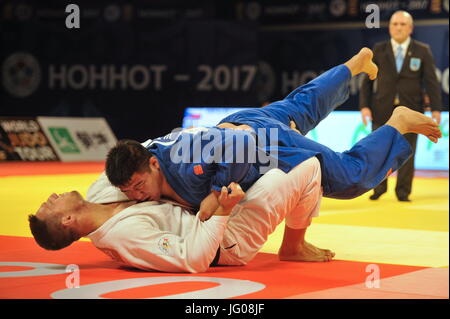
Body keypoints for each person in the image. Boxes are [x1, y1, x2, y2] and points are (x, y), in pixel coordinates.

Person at [28, 105, 442, 273]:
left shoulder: (102, 189)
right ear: (67, 220)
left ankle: (295, 241)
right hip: (227, 239)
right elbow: (193, 258)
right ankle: (394, 131)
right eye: (50, 205)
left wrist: (194, 139)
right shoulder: (124, 237)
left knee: (287, 144)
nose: (51, 196)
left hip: (223, 198)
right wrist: (219, 208)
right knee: (310, 168)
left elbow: (146, 154)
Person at [105, 48, 441, 220]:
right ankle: (354, 65)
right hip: (244, 120)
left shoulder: (179, 168)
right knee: (301, 105)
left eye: (138, 186)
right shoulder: (145, 153)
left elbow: (240, 144)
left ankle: (397, 123)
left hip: (258, 141)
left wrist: (215, 191)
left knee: (348, 177)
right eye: (128, 190)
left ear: (152, 165)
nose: (136, 195)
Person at [359, 10, 442, 202]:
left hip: (412, 109)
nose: (398, 27)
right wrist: (364, 106)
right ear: (389, 28)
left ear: (410, 28)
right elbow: (367, 81)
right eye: (395, 24)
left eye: (403, 24)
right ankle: (378, 189)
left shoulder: (422, 50)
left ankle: (403, 192)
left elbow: (431, 81)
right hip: (381, 109)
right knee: (378, 151)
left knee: (408, 151)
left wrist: (436, 108)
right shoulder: (379, 49)